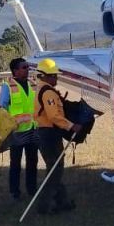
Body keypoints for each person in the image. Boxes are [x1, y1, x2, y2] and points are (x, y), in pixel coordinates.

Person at [33, 58, 80, 214]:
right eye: (54, 75)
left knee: (55, 168)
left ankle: (63, 202)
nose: (56, 78)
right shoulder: (48, 93)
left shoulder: (41, 89)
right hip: (49, 134)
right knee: (54, 171)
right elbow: (53, 116)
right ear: (45, 76)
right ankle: (44, 207)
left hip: (45, 133)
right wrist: (71, 126)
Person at [0, 58, 38, 200]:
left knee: (32, 161)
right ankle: (14, 192)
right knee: (15, 163)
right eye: (24, 67)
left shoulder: (33, 84)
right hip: (16, 132)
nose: (27, 69)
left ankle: (32, 189)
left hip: (33, 129)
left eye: (27, 67)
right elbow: (2, 108)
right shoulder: (7, 86)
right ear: (15, 70)